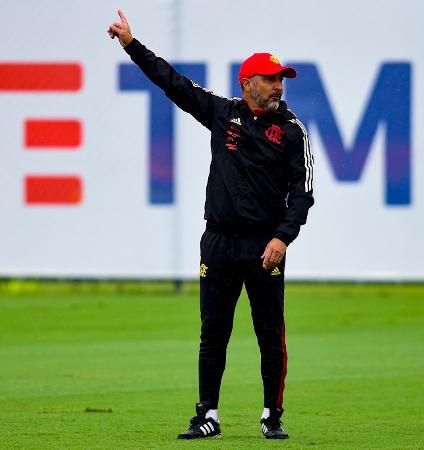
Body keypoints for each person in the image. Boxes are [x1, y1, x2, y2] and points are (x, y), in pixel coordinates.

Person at [108, 9, 314, 440]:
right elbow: (174, 83)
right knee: (212, 334)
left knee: (269, 335)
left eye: (282, 79)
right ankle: (207, 415)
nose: (279, 85)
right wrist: (131, 45)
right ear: (248, 83)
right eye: (271, 78)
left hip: (263, 246)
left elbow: (304, 193)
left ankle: (272, 416)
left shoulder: (293, 131)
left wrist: (282, 237)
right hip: (218, 242)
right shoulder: (223, 114)